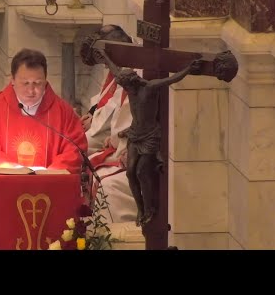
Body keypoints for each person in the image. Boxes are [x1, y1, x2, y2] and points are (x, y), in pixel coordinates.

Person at [0, 48, 87, 249]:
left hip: (49, 191)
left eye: (38, 83)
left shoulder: (62, 111)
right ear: (12, 80)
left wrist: (51, 172)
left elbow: (75, 146)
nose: (31, 90)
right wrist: (8, 168)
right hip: (5, 189)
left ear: (46, 80)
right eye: (25, 83)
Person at [86, 43, 202, 227]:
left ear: (132, 81)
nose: (123, 87)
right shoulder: (128, 87)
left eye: (125, 84)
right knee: (131, 173)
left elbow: (172, 80)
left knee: (139, 172)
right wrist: (103, 54)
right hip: (134, 136)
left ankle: (147, 211)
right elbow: (115, 69)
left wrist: (189, 68)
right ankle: (141, 209)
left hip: (149, 138)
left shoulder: (148, 88)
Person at [79, 25, 141, 224]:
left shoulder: (136, 76)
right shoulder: (125, 64)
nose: (107, 67)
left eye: (106, 61)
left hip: (138, 152)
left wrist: (116, 140)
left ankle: (108, 237)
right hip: (120, 143)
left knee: (104, 184)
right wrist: (91, 113)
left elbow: (128, 120)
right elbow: (111, 104)